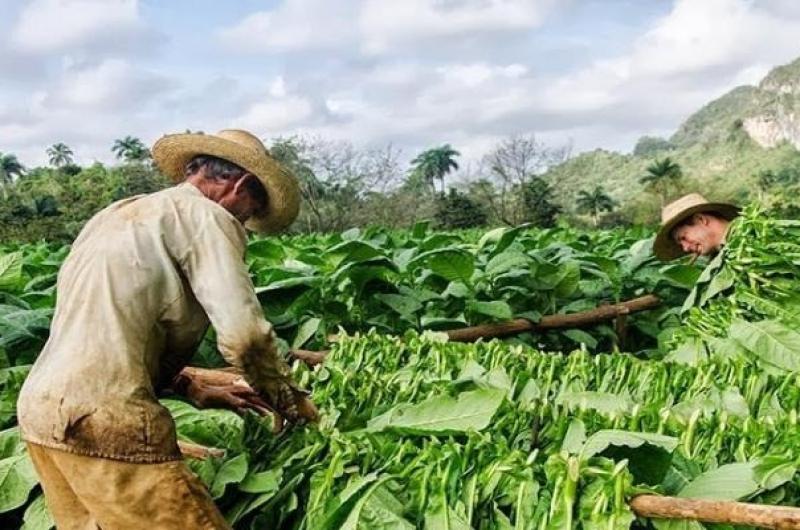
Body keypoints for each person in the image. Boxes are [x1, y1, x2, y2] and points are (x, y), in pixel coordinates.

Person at [16, 129, 317, 529]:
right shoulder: (207, 217)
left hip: (41, 415)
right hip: (105, 420)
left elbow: (107, 326)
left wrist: (189, 384)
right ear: (241, 185)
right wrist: (289, 401)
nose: (243, 223)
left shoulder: (116, 215)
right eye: (248, 212)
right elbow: (245, 337)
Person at [653, 193, 740, 261]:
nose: (685, 248)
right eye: (680, 244)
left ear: (701, 219)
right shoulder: (720, 265)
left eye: (683, 238)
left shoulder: (750, 232)